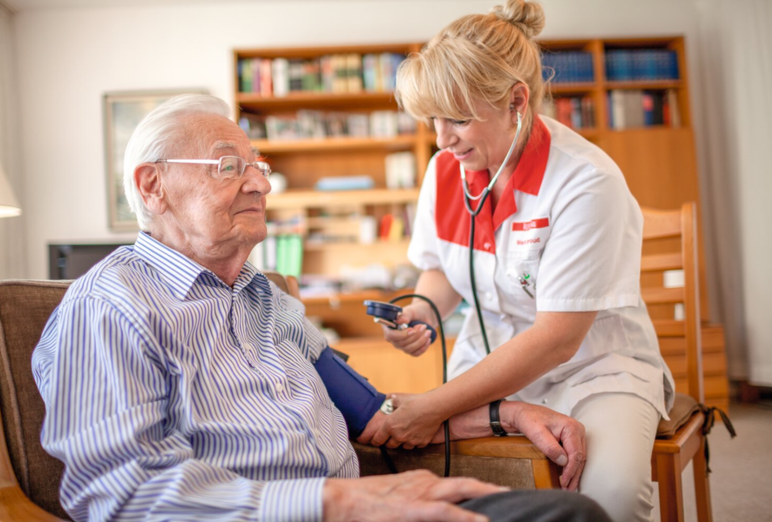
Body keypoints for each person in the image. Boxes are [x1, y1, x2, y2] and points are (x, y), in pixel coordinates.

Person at [32, 93, 609, 522]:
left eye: (257, 165)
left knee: (569, 515)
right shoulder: (111, 308)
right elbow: (119, 495)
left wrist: (505, 415)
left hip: (359, 508)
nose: (260, 183)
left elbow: (375, 415)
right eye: (229, 166)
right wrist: (336, 502)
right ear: (152, 187)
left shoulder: (267, 300)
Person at [369, 2, 675, 521]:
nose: (442, 140)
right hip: (485, 366)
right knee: (434, 483)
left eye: (459, 119)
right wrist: (422, 315)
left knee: (612, 495)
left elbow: (557, 338)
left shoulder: (584, 182)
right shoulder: (447, 170)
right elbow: (441, 269)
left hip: (592, 370)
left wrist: (436, 404)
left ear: (516, 101)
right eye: (434, 119)